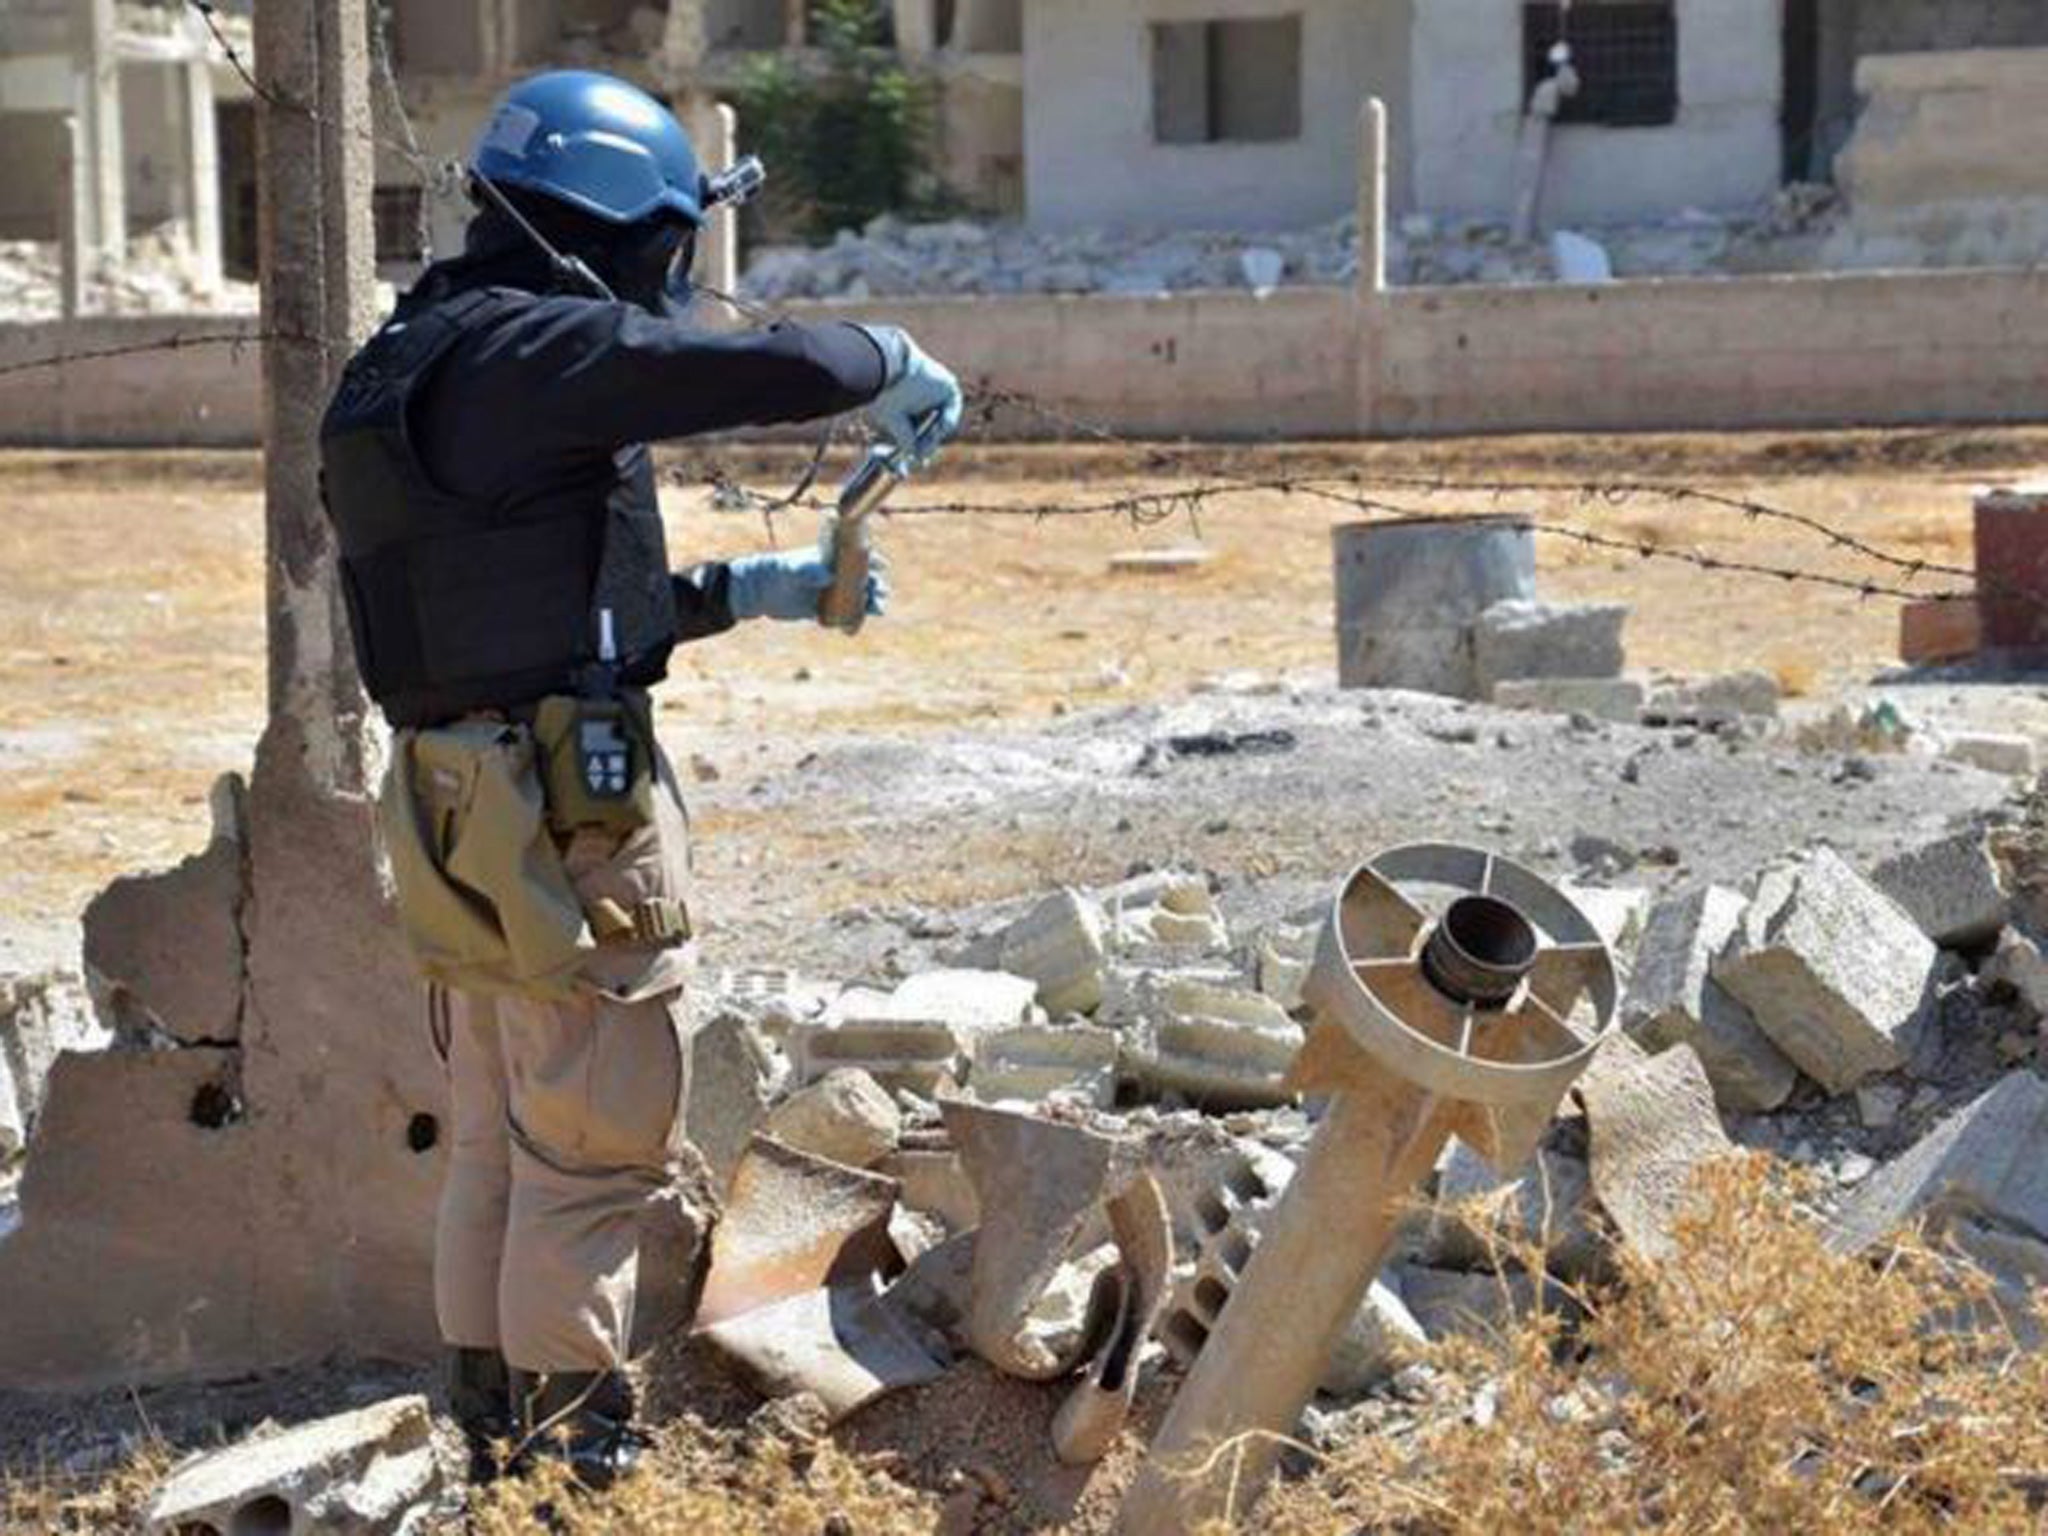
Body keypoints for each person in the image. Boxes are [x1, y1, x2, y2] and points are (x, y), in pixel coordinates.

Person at [318, 69, 962, 1489]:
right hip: (567, 826)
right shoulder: (525, 353)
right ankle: (571, 1477)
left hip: (459, 812)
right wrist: (880, 356)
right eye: (669, 241)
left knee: (499, 1142)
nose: (672, 275)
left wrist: (755, 589)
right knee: (592, 1156)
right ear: (621, 226)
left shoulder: (414, 361)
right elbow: (727, 370)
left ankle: (493, 1442)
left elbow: (534, 616)